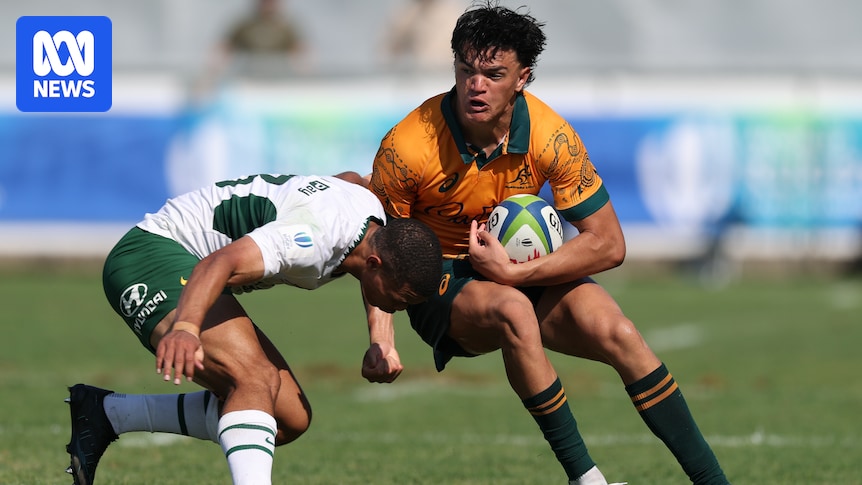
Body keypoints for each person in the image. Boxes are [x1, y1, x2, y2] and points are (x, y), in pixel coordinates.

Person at [366, 3, 730, 484]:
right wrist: (381, 341)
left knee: (620, 333)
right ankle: (587, 480)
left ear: (523, 77)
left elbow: (609, 244)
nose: (476, 85)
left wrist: (515, 272)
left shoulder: (551, 136)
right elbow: (379, 254)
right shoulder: (407, 146)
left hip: (522, 270)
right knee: (513, 311)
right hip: (442, 279)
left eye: (494, 74)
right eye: (466, 71)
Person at [65, 172, 442, 485]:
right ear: (374, 263)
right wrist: (186, 327)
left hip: (195, 267)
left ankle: (109, 413)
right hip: (150, 257)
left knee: (289, 418)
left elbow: (351, 180)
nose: (399, 308)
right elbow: (219, 263)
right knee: (253, 380)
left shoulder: (371, 217)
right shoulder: (310, 238)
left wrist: (381, 339)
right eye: (401, 298)